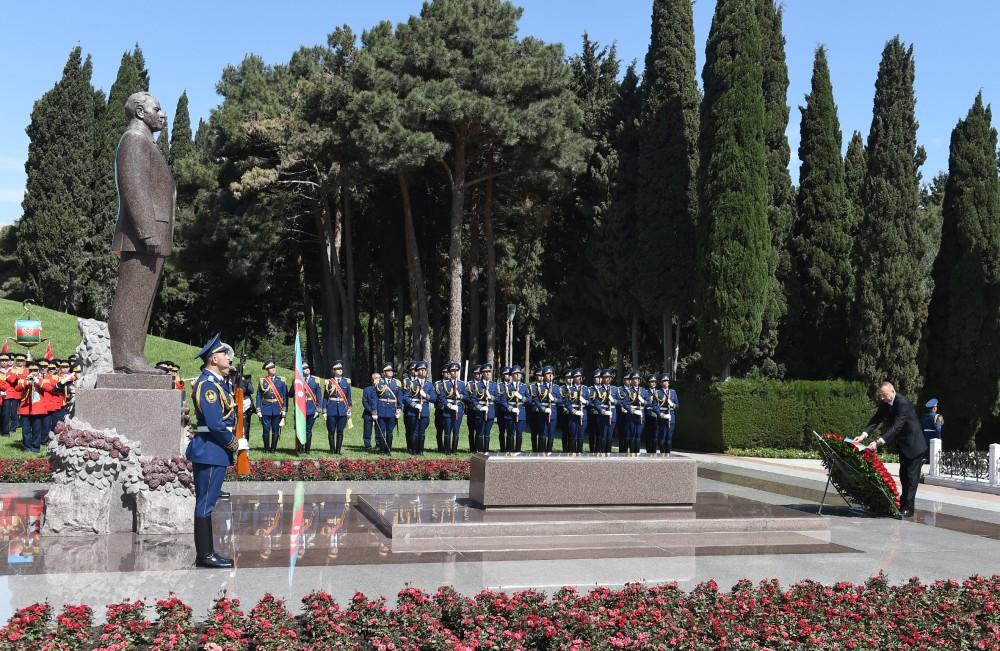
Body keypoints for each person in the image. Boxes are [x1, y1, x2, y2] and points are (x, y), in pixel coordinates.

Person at [187, 333, 248, 568]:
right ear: (213, 358)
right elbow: (214, 424)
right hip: (211, 450)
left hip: (213, 450)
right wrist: (235, 443)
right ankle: (205, 555)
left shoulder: (215, 383)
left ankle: (206, 552)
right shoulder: (207, 385)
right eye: (224, 354)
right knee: (205, 504)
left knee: (207, 502)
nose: (228, 358)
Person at [857, 382, 928, 518]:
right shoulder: (885, 403)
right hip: (903, 446)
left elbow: (896, 427)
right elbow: (876, 419)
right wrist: (863, 434)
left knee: (911, 478)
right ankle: (903, 504)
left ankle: (909, 508)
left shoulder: (903, 403)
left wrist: (878, 442)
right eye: (881, 396)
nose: (883, 398)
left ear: (892, 391)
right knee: (903, 475)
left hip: (914, 445)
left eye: (884, 395)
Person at [402, 361, 435, 455]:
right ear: (417, 372)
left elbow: (434, 398)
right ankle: (414, 451)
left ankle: (420, 451)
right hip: (413, 410)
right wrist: (414, 404)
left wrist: (425, 395)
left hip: (424, 411)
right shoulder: (412, 383)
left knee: (422, 432)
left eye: (425, 369)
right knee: (414, 431)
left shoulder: (429, 384)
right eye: (421, 370)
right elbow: (405, 397)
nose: (424, 371)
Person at [256, 360, 287, 453]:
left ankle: (273, 449)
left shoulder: (281, 380)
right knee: (266, 430)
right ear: (267, 370)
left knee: (275, 429)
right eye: (271, 368)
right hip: (266, 408)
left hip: (277, 408)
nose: (273, 369)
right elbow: (259, 396)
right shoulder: (263, 381)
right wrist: (258, 409)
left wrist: (284, 409)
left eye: (274, 367)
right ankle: (266, 448)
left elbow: (285, 396)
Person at [437, 362, 467, 454]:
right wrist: (449, 405)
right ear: (449, 372)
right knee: (447, 430)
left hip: (458, 409)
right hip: (448, 409)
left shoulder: (462, 384)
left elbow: (466, 397)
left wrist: (460, 395)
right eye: (453, 371)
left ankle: (454, 450)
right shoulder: (445, 384)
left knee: (456, 430)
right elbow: (441, 397)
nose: (455, 373)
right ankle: (447, 450)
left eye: (456, 371)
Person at [323, 360, 351, 454]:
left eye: (341, 368)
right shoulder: (329, 382)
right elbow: (325, 398)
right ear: (333, 370)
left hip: (343, 409)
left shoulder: (346, 382)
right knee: (331, 431)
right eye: (338, 369)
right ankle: (332, 449)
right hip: (331, 409)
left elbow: (348, 397)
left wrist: (349, 408)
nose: (340, 370)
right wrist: (324, 410)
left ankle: (338, 450)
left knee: (340, 431)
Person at [533, 366, 560, 453]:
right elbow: (536, 400)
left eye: (551, 374)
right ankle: (542, 453)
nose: (550, 376)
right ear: (544, 376)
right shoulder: (540, 387)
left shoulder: (556, 387)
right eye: (548, 374)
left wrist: (554, 399)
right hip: (543, 413)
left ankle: (549, 452)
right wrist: (543, 408)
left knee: (551, 435)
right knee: (543, 434)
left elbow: (561, 401)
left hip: (553, 414)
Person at [298, 363, 322, 453]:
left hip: (311, 409)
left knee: (308, 430)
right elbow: (291, 394)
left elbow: (319, 396)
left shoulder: (315, 380)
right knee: (300, 429)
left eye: (308, 367)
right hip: (300, 409)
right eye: (304, 368)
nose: (307, 369)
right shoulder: (298, 380)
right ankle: (300, 448)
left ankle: (307, 449)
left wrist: (318, 409)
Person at [655, 373, 679, 454]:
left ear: (668, 383)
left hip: (671, 417)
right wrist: (660, 414)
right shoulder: (658, 392)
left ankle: (668, 456)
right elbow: (655, 406)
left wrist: (672, 404)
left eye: (666, 381)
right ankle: (662, 455)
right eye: (663, 381)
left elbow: (677, 406)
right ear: (661, 383)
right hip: (662, 417)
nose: (665, 382)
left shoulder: (673, 392)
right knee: (662, 439)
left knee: (668, 439)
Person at [361, 372, 379, 452]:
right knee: (367, 430)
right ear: (372, 379)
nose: (379, 379)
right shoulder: (367, 389)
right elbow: (364, 402)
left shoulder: (383, 389)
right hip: (368, 413)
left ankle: (378, 444)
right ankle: (367, 445)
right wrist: (371, 411)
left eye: (380, 378)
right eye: (377, 378)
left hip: (379, 413)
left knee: (378, 429)